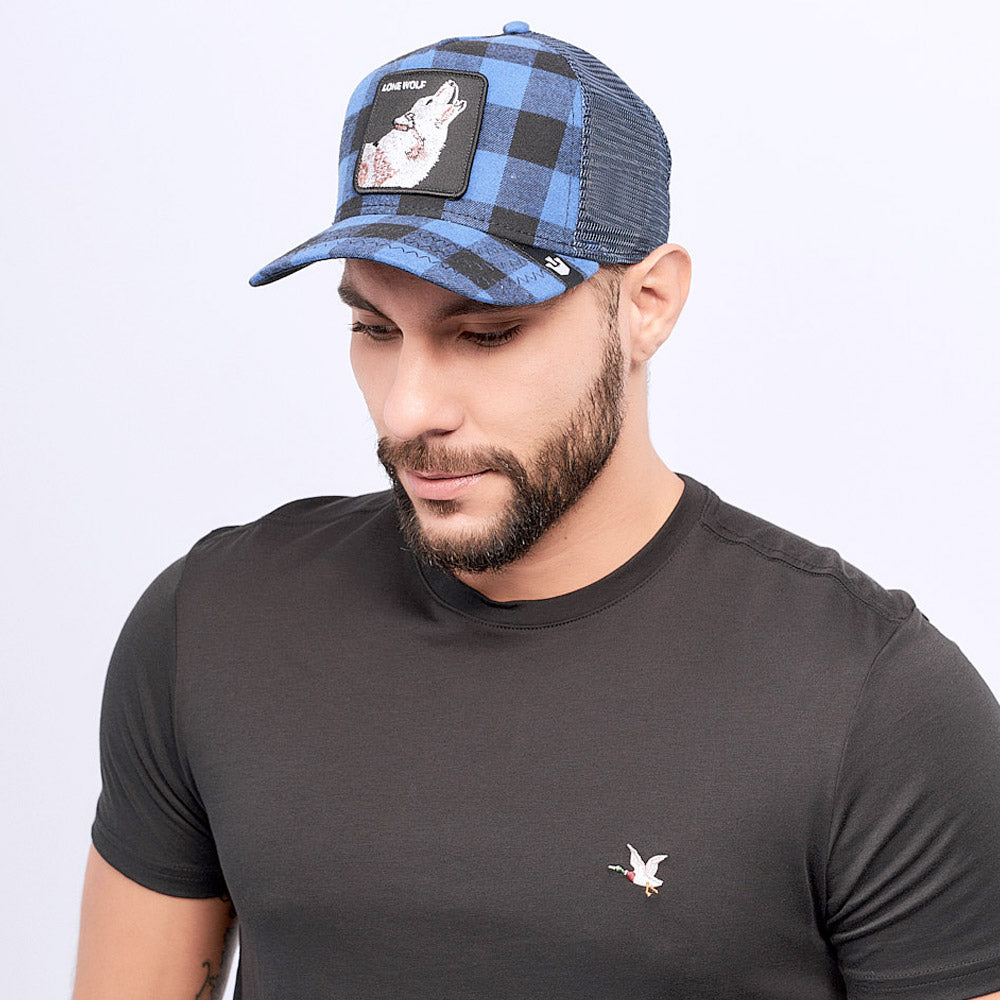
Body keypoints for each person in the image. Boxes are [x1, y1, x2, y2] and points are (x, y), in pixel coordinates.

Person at [72, 21, 1000, 1000]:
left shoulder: (869, 704)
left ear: (647, 303)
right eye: (373, 327)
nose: (408, 410)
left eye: (487, 333)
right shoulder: (213, 626)